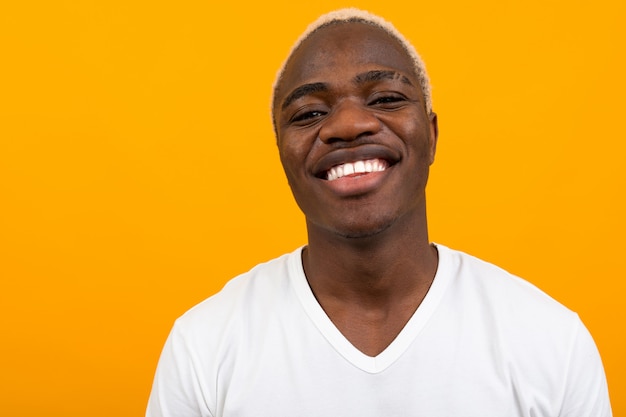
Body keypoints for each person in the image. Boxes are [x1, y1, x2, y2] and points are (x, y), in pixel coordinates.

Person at [146, 8, 611, 417]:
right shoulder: (204, 348)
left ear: (431, 135)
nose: (348, 125)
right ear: (281, 154)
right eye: (308, 113)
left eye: (386, 99)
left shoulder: (550, 342)